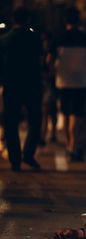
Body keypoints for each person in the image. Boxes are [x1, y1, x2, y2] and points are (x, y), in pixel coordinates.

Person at [47, 7, 86, 162]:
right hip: (81, 81)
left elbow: (48, 60)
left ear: (65, 21)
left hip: (62, 82)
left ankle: (70, 144)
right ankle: (73, 146)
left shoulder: (58, 38)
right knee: (77, 115)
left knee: (66, 114)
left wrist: (55, 72)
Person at [0, 7, 43, 171]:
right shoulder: (34, 38)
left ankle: (15, 159)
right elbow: (40, 61)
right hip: (32, 83)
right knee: (35, 120)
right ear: (28, 19)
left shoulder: (4, 40)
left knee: (11, 122)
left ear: (13, 19)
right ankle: (29, 153)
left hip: (11, 84)